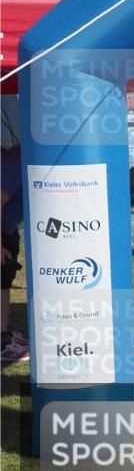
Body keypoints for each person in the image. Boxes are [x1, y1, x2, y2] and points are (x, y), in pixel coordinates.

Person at [1, 145, 27, 363]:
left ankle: (4, 332)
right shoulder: (17, 157)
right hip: (2, 231)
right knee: (1, 280)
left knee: (5, 279)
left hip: (8, 229)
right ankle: (2, 340)